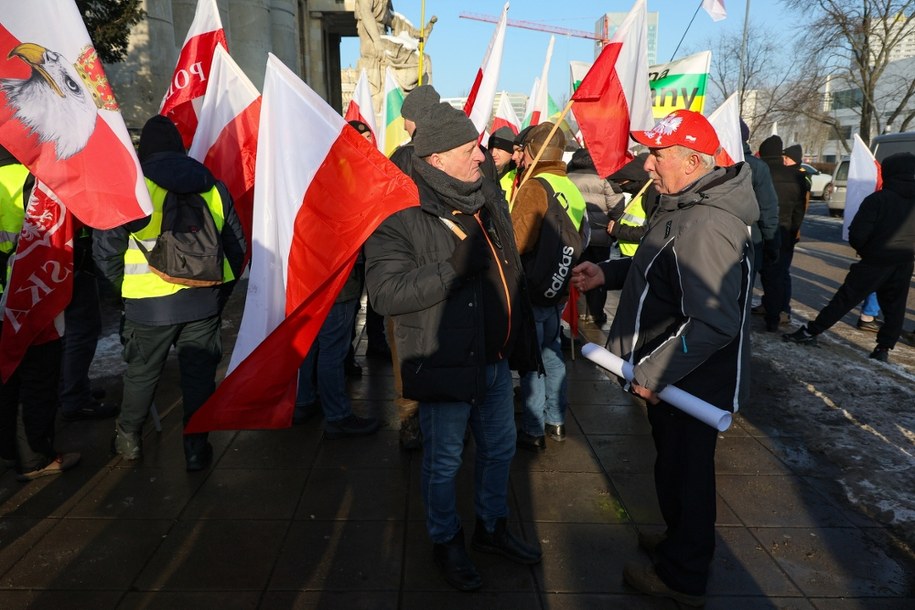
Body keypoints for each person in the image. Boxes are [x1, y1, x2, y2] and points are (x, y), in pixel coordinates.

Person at [571, 109, 758, 606]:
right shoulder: (683, 205)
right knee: (673, 469)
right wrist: (608, 273)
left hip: (690, 381)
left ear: (692, 162)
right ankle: (679, 541)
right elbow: (659, 264)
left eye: (657, 154)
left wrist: (654, 371)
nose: (647, 165)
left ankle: (684, 575)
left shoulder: (708, 223)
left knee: (687, 476)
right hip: (672, 374)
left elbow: (714, 321)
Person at [364, 101, 541, 591]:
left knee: (501, 449)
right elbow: (384, 294)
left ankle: (491, 527)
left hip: (494, 358)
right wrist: (452, 269)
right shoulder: (400, 210)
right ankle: (445, 541)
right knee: (444, 461)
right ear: (437, 159)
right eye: (470, 150)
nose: (482, 156)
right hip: (444, 362)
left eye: (478, 146)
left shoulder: (485, 197)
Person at [94, 116, 246, 471]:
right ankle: (195, 449)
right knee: (199, 377)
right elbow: (236, 248)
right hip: (203, 301)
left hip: (147, 305)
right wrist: (218, 294)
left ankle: (128, 440)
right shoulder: (212, 186)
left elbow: (106, 252)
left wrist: (121, 294)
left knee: (142, 373)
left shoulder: (133, 189)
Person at [783, 152, 915, 362]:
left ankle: (811, 331)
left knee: (845, 299)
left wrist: (866, 250)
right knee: (895, 307)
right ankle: (883, 348)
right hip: (904, 260)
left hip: (875, 260)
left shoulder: (879, 199)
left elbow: (858, 234)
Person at [0, 147, 80, 481]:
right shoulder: (38, 180)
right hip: (31, 296)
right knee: (37, 380)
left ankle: (7, 452)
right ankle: (35, 458)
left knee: (5, 378)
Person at [511, 122, 586, 451]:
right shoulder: (569, 186)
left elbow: (518, 241)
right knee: (551, 353)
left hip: (531, 287)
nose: (519, 157)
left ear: (533, 152)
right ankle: (556, 420)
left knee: (531, 361)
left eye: (522, 150)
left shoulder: (535, 186)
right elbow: (582, 237)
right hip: (557, 289)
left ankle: (532, 429)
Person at [295, 251, 381, 438]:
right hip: (336, 284)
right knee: (332, 352)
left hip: (306, 282)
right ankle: (337, 416)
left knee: (309, 346)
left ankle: (304, 401)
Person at [58, 226, 118, 421]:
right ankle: (75, 398)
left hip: (59, 255)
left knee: (67, 332)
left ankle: (70, 388)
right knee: (81, 332)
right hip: (72, 255)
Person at [754, 136, 810, 331]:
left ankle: (751, 313)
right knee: (777, 276)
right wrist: (793, 231)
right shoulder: (797, 176)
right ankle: (774, 317)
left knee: (752, 273)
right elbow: (800, 209)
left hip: (759, 230)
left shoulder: (759, 172)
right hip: (785, 232)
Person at [566, 147, 625, 326]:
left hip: (576, 235)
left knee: (577, 273)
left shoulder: (567, 178)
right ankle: (594, 313)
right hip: (600, 236)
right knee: (598, 273)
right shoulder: (604, 179)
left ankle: (577, 312)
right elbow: (617, 207)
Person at [740, 119, 780, 280]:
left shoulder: (710, 163)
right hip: (749, 240)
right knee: (743, 287)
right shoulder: (756, 167)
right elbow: (767, 209)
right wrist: (772, 244)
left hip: (711, 241)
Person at [487, 126, 518, 201]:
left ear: (511, 152)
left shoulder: (518, 178)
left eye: (499, 149)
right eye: (491, 149)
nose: (493, 154)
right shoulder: (481, 173)